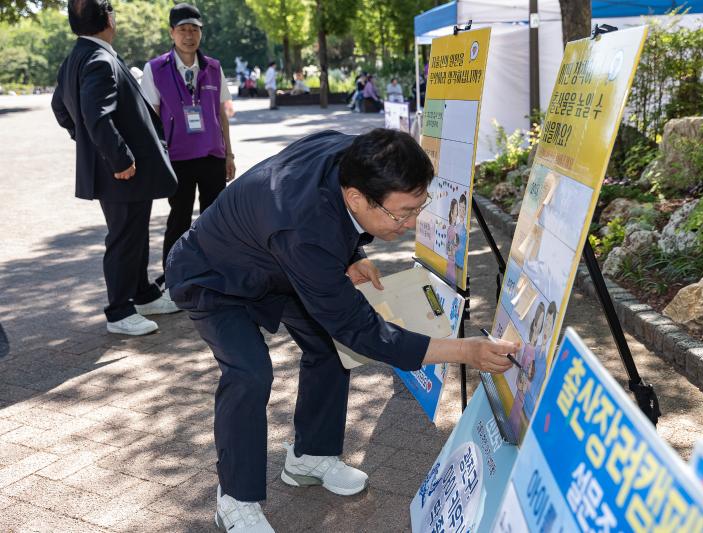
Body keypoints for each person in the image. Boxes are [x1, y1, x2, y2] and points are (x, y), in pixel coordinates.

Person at [165, 128, 517, 532]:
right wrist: (465, 352)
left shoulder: (354, 153)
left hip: (279, 263)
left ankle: (310, 456)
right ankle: (235, 498)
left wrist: (353, 252)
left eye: (419, 207)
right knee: (249, 372)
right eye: (401, 213)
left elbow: (331, 217)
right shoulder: (304, 231)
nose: (410, 223)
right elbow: (361, 330)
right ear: (357, 197)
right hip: (214, 275)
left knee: (329, 349)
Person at [52, 0, 179, 336]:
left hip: (120, 169)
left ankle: (144, 295)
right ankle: (119, 311)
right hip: (123, 170)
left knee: (132, 233)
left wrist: (90, 144)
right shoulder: (98, 58)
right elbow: (96, 116)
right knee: (124, 237)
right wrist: (118, 157)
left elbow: (60, 109)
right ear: (108, 18)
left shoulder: (76, 57)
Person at [140, 2, 235, 289]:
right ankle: (173, 276)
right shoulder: (155, 69)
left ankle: (217, 271)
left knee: (215, 218)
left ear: (201, 33)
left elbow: (222, 114)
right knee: (178, 219)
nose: (189, 35)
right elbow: (150, 118)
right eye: (183, 29)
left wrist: (229, 153)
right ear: (172, 33)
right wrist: (156, 159)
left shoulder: (213, 68)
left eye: (194, 29)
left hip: (211, 156)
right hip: (177, 158)